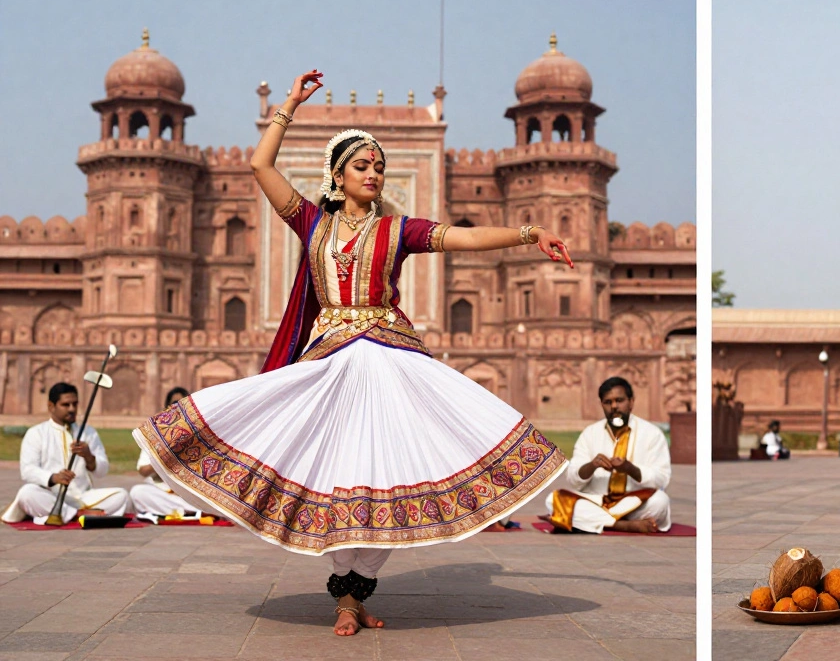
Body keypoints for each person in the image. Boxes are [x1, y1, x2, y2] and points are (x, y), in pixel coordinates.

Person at [133, 70, 571, 637]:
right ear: (337, 177)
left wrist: (529, 234)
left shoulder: (397, 230)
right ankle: (346, 596)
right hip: (334, 360)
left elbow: (461, 236)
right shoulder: (311, 221)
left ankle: (352, 596)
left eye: (380, 167)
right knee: (338, 472)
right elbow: (260, 167)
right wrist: (288, 105)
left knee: (389, 473)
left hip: (390, 360)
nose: (374, 174)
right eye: (362, 166)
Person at [542, 377, 672, 534]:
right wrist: (592, 466)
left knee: (660, 502)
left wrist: (630, 469)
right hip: (597, 500)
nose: (614, 406)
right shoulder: (590, 433)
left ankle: (590, 522)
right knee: (553, 500)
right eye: (608, 402)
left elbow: (662, 478)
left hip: (634, 501)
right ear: (602, 404)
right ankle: (622, 525)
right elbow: (573, 478)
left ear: (631, 402)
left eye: (619, 400)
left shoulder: (652, 433)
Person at [2, 383, 130, 525]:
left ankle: (66, 514)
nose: (72, 409)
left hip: (83, 497)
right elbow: (27, 471)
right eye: (66, 405)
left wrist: (89, 457)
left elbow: (102, 471)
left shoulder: (88, 432)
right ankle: (78, 515)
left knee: (122, 495)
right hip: (50, 496)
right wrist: (53, 477)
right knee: (27, 493)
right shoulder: (36, 433)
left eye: (75, 404)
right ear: (51, 406)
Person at [129, 387, 216, 517]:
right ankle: (193, 511)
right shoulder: (155, 434)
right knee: (138, 492)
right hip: (162, 491)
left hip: (189, 493)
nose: (178, 408)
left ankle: (191, 510)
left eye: (182, 404)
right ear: (166, 408)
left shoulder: (199, 435)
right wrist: (163, 458)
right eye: (175, 404)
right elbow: (143, 470)